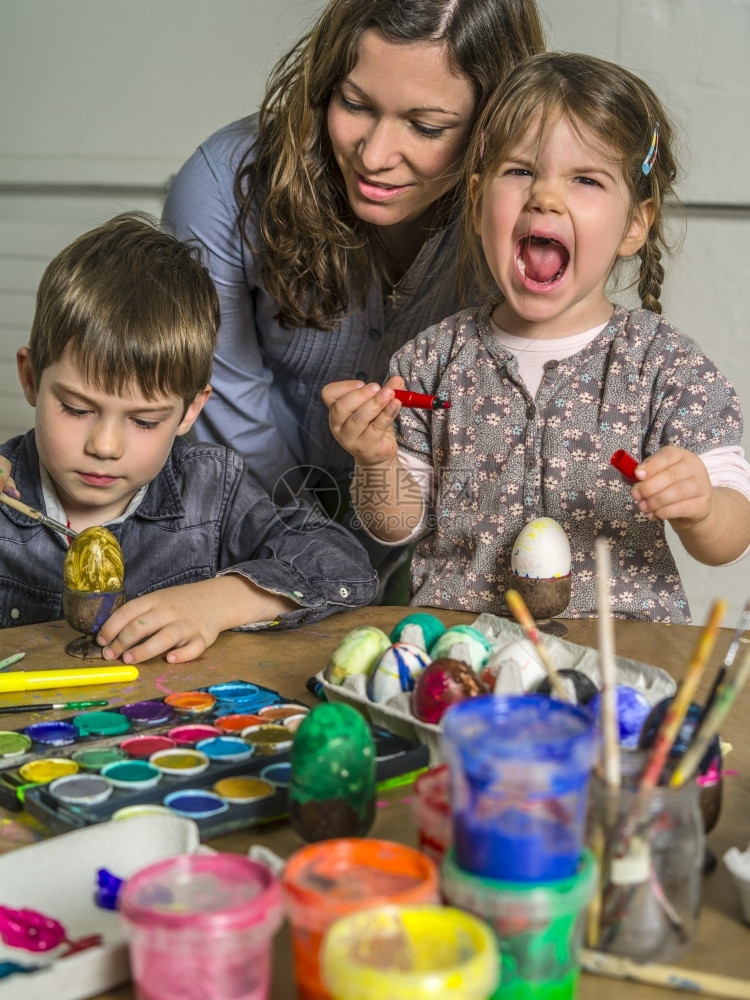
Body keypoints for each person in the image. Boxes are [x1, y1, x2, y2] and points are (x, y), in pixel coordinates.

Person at [323, 52, 750, 624]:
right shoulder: (429, 360)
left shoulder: (664, 365)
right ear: (476, 202)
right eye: (520, 171)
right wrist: (375, 460)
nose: (545, 197)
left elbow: (729, 539)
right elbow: (396, 525)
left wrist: (701, 507)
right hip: (467, 656)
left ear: (634, 225)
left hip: (619, 658)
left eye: (585, 179)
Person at [160, 0, 545, 593]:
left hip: (436, 556)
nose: (373, 155)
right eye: (355, 104)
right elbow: (228, 416)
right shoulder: (221, 185)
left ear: (496, 127)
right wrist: (316, 568)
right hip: (242, 538)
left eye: (427, 127)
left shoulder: (529, 221)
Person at [0, 214, 377, 662]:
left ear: (190, 410)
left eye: (144, 421)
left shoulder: (211, 489)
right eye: (77, 409)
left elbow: (345, 568)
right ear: (30, 378)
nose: (104, 446)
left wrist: (218, 601)